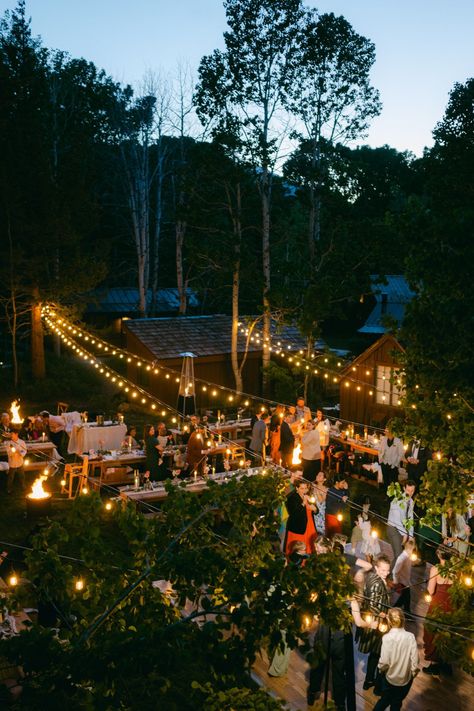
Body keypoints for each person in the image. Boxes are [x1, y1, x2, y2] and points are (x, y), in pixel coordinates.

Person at [356, 554, 391, 691]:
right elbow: (373, 604)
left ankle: (369, 680)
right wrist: (385, 614)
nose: (386, 573)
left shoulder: (373, 577)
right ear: (376, 568)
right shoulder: (377, 583)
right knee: (379, 653)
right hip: (377, 624)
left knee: (376, 654)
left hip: (377, 623)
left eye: (387, 570)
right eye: (383, 570)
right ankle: (374, 682)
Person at [373, 608, 419, 711]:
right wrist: (413, 673)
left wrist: (380, 669)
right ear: (403, 620)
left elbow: (384, 661)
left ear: (389, 621)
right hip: (405, 679)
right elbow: (415, 660)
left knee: (384, 700)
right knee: (397, 703)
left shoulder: (387, 638)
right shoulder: (410, 637)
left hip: (390, 678)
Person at [423, 546, 454, 676]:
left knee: (432, 630)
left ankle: (434, 664)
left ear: (439, 555)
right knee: (448, 631)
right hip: (451, 603)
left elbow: (430, 590)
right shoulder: (456, 569)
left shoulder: (435, 569)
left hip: (438, 603)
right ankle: (446, 664)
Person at [283, 479, 317, 555]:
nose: (304, 490)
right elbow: (294, 513)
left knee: (310, 548)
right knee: (298, 549)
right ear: (297, 488)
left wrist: (314, 509)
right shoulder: (291, 498)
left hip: (310, 526)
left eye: (305, 488)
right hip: (298, 527)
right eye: (302, 488)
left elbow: (316, 509)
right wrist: (303, 503)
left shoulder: (309, 496)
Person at [386, 481, 415, 567]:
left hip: (402, 530)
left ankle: (393, 575)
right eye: (408, 490)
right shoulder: (397, 500)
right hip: (393, 528)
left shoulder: (411, 501)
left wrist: (411, 535)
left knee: (400, 555)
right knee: (398, 555)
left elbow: (410, 518)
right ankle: (391, 576)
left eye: (412, 491)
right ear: (404, 488)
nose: (410, 493)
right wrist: (405, 534)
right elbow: (396, 520)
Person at [392, 539, 416, 613]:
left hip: (406, 580)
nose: (413, 551)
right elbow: (395, 571)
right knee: (404, 597)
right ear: (409, 549)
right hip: (402, 581)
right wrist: (395, 581)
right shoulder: (401, 558)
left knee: (406, 597)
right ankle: (393, 610)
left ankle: (407, 612)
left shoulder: (407, 556)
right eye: (412, 549)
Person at [325, 474, 349, 538]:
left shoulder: (342, 489)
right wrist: (342, 502)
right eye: (342, 483)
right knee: (334, 535)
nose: (344, 484)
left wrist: (346, 490)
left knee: (338, 534)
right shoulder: (331, 491)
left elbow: (347, 498)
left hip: (338, 515)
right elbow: (329, 506)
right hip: (331, 516)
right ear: (337, 482)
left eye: (344, 483)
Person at [312, 470, 328, 535]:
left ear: (324, 479)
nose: (317, 476)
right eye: (317, 474)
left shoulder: (325, 489)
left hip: (320, 514)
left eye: (320, 475)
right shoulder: (312, 485)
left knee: (320, 531)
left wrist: (316, 489)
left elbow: (321, 501)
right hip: (312, 510)